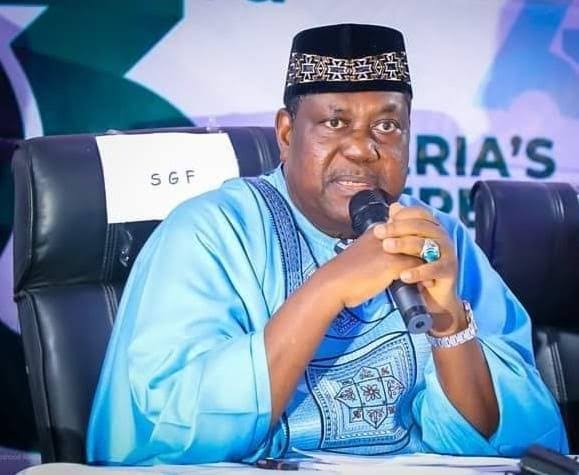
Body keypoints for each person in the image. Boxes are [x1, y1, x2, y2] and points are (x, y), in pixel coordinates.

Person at [86, 24, 568, 465]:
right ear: (287, 133)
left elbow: (512, 441)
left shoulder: (437, 236)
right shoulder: (211, 232)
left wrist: (449, 321)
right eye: (335, 123)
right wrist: (329, 288)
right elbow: (168, 431)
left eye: (387, 126)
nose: (362, 148)